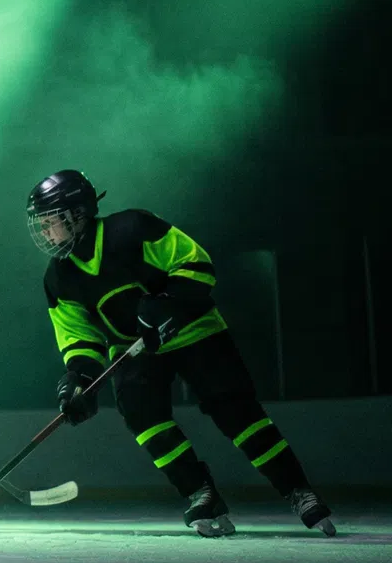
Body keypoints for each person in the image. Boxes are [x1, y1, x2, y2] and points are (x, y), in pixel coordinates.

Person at [27, 169, 336, 537]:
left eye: (51, 222)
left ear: (77, 214)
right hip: (133, 350)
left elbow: (197, 264)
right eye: (41, 224)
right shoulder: (58, 278)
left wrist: (165, 304)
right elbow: (78, 338)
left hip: (194, 330)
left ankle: (298, 490)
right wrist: (79, 380)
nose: (45, 233)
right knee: (144, 418)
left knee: (238, 413)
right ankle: (199, 492)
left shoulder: (133, 228)